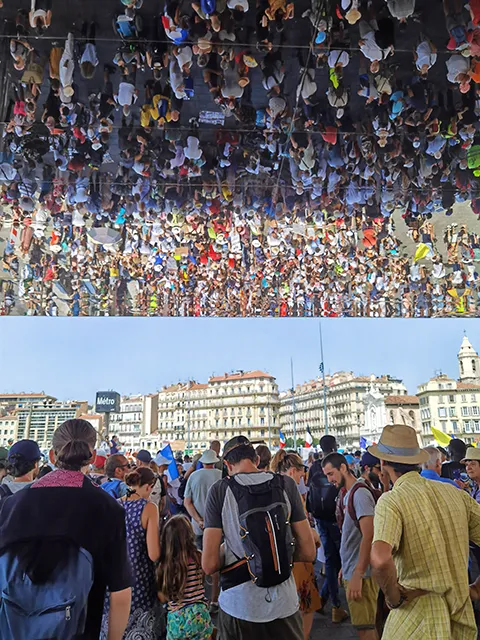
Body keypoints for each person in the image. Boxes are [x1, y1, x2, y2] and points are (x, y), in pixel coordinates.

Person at [0, 419, 132, 640]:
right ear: (92, 455)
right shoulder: (106, 507)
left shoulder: (12, 504)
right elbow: (120, 592)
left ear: (52, 455)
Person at [370, 424, 480, 639]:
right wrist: (477, 588)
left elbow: (380, 559)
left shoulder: (392, 501)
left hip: (417, 620)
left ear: (383, 463)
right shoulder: (454, 492)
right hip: (461, 620)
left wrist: (393, 598)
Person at [202, 435, 315, 640]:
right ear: (255, 459)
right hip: (284, 605)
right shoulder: (286, 484)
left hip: (240, 607)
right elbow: (309, 551)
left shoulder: (219, 491)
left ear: (227, 464)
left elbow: (209, 565)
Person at [100, 467, 163, 640]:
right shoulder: (149, 508)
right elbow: (154, 554)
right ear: (149, 487)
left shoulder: (114, 504)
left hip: (114, 579)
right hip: (140, 581)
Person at [322, 453, 378, 640]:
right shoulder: (347, 493)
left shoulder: (359, 493)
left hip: (362, 574)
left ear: (343, 468)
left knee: (366, 627)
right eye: (327, 475)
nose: (329, 479)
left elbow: (368, 534)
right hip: (354, 568)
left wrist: (357, 572)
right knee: (366, 625)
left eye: (331, 474)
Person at [271, 450, 321, 640]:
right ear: (293, 470)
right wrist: (313, 535)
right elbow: (301, 530)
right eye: (301, 473)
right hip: (299, 559)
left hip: (281, 559)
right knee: (305, 609)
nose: (303, 477)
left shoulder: (272, 489)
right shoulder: (291, 492)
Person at [306, 434, 348, 622]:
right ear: (335, 446)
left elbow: (309, 491)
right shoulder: (339, 462)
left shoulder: (314, 466)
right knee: (338, 559)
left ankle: (324, 598)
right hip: (336, 518)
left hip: (320, 517)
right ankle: (336, 606)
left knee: (331, 559)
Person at [157, 515, 213, 640]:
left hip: (177, 619)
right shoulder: (198, 557)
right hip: (200, 613)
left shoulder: (165, 565)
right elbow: (209, 574)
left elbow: (162, 597)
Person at [184, 449, 223, 612]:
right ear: (215, 461)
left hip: (197, 527)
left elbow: (187, 502)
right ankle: (214, 600)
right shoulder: (222, 476)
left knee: (196, 564)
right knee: (216, 564)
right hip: (218, 527)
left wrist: (199, 520)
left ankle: (197, 599)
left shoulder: (194, 476)